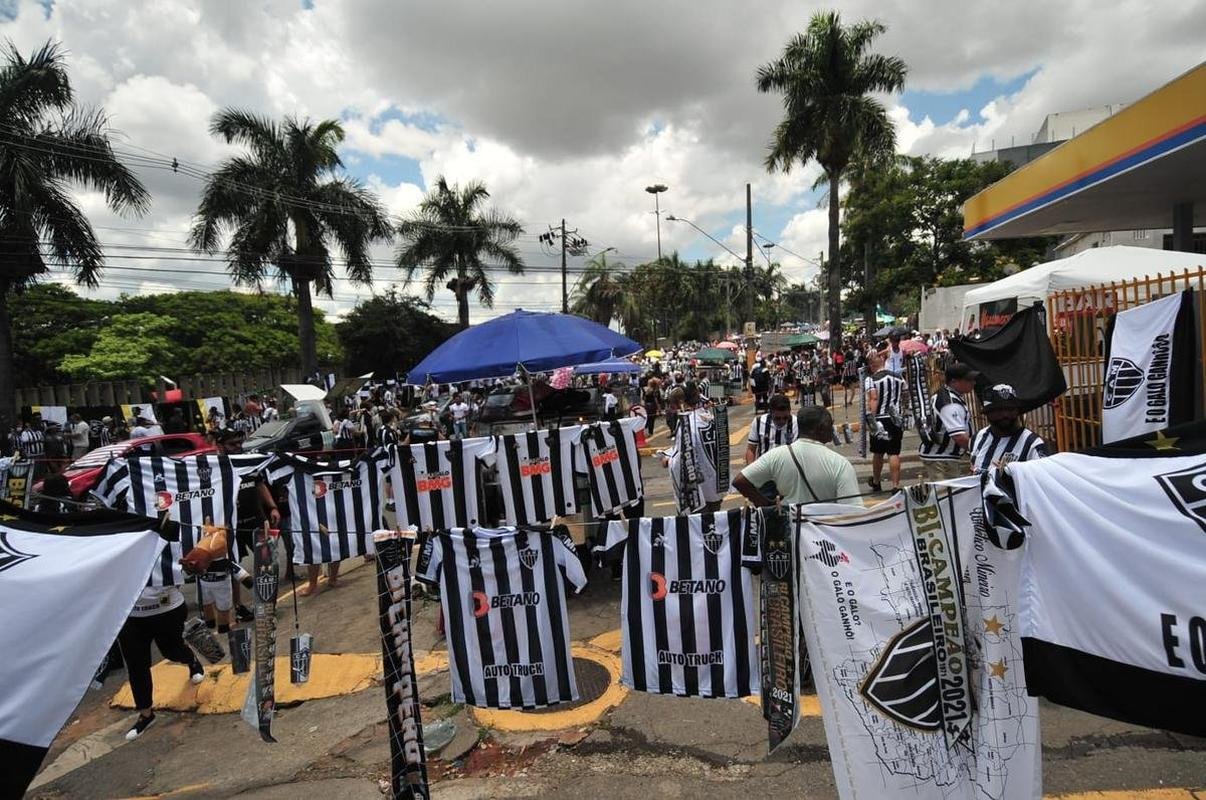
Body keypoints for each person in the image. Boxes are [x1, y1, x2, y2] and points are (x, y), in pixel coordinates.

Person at [118, 582, 206, 740]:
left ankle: (191, 660)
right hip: (130, 615)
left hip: (166, 608)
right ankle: (146, 714)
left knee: (172, 651)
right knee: (136, 664)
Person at [734, 406, 860, 507]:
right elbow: (854, 511)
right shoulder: (840, 464)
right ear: (821, 428)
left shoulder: (776, 455)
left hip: (791, 529)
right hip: (824, 532)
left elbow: (740, 481)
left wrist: (765, 504)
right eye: (830, 424)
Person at [663, 382, 723, 514]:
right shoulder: (710, 416)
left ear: (681, 402)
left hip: (698, 489)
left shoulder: (686, 423)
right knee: (714, 522)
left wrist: (668, 459)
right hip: (717, 483)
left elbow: (682, 457)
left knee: (697, 528)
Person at [969, 384, 1048, 473]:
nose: (1005, 415)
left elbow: (1043, 478)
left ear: (1017, 411)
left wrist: (1013, 475)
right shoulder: (977, 438)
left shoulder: (1033, 444)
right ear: (987, 413)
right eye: (998, 410)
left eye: (1010, 409)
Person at [918, 363, 978, 480]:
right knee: (946, 494)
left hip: (944, 456)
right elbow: (959, 436)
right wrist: (978, 452)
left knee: (951, 494)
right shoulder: (949, 403)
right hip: (941, 458)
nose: (973, 383)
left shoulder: (946, 394)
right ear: (954, 381)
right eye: (968, 380)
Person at [864, 349, 906, 492]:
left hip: (880, 417)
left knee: (878, 452)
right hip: (895, 418)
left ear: (871, 366)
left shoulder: (871, 379)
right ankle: (895, 485)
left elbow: (873, 398)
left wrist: (871, 421)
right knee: (894, 452)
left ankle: (876, 481)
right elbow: (905, 395)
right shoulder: (898, 377)